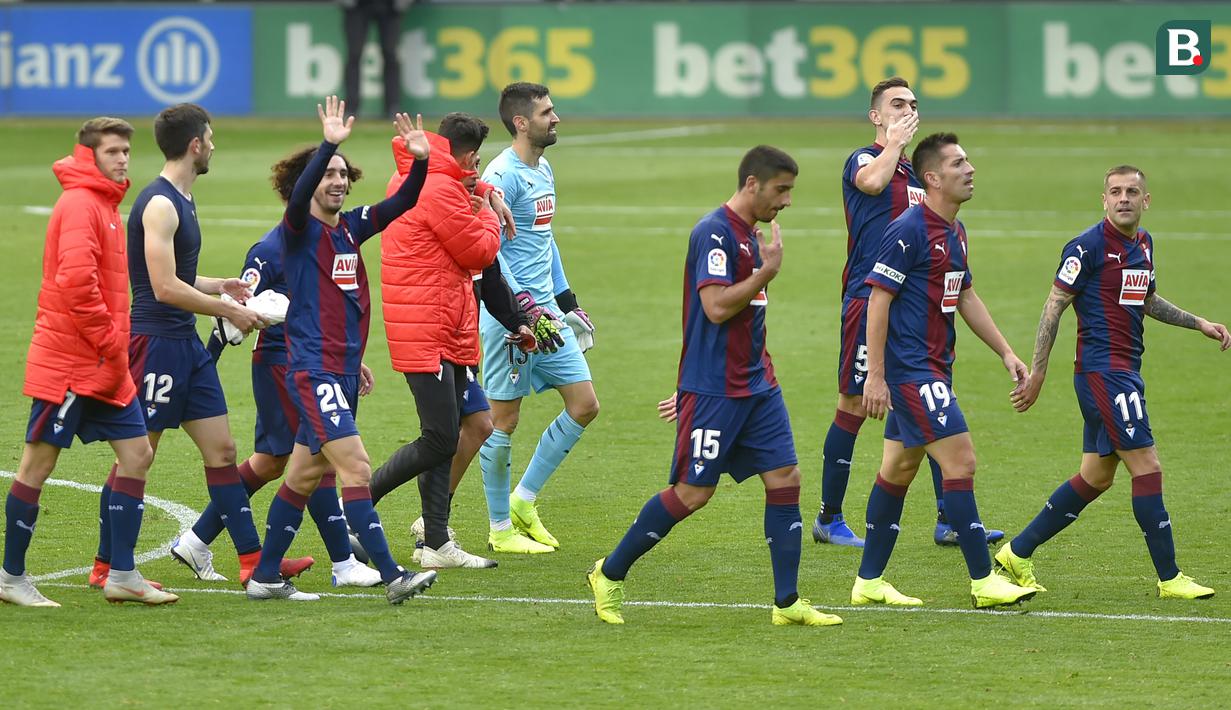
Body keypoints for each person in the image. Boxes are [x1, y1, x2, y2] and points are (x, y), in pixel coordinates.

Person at [586, 146, 842, 628]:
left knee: (786, 479)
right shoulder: (716, 233)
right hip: (716, 390)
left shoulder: (750, 234)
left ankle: (787, 603)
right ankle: (610, 573)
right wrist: (767, 273)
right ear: (752, 184)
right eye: (781, 189)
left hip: (758, 385)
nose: (787, 200)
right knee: (692, 493)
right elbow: (716, 308)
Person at [90, 103, 310, 591]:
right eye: (209, 139)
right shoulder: (162, 203)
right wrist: (228, 311)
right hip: (155, 344)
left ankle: (253, 562)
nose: (213, 146)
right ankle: (110, 566)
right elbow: (164, 286)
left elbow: (179, 277)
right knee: (137, 456)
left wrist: (219, 286)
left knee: (223, 450)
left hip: (184, 344)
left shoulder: (182, 199)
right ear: (195, 145)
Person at [996, 165, 1229, 600]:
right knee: (1148, 467)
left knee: (1096, 476)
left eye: (1132, 192)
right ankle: (1170, 577)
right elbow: (1054, 305)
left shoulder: (1143, 244)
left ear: (1146, 201)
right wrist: (1039, 371)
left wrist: (1198, 322)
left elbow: (1147, 299)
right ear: (1104, 199)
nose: (1124, 198)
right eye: (1116, 192)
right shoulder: (1087, 247)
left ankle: (1017, 552)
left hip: (1123, 373)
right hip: (1104, 374)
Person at [245, 96, 436, 603]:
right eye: (326, 173)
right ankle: (393, 575)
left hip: (344, 371)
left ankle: (265, 575)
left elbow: (402, 205)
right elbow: (298, 196)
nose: (336, 181)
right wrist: (329, 141)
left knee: (307, 472)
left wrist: (420, 161)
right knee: (355, 466)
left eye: (342, 174)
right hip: (314, 372)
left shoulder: (351, 227)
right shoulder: (298, 230)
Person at [812, 77, 1003, 549]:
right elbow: (872, 181)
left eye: (913, 105)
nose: (907, 110)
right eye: (896, 104)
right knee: (855, 405)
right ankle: (829, 517)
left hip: (916, 310)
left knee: (932, 398)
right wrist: (894, 143)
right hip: (868, 300)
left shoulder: (919, 179)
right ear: (875, 116)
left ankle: (949, 519)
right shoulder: (864, 159)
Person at [851, 132, 1037, 609]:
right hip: (913, 372)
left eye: (968, 160)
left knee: (899, 467)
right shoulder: (908, 229)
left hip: (935, 368)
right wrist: (876, 375)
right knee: (961, 462)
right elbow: (878, 299)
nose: (970, 168)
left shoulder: (955, 231)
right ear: (932, 178)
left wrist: (1006, 352)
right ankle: (982, 580)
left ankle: (868, 581)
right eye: (958, 163)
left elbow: (966, 296)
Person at [1, 118, 177, 607]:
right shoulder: (81, 205)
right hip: (72, 363)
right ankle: (11, 577)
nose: (123, 159)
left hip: (102, 363)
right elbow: (77, 284)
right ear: (89, 154)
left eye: (126, 151)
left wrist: (110, 351)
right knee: (37, 463)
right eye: (113, 151)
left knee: (138, 453)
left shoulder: (106, 204)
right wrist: (109, 342)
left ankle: (122, 573)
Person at [367, 112, 534, 570]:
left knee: (476, 423)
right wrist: (491, 214)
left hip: (447, 327)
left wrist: (486, 192)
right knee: (441, 438)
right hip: (427, 330)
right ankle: (358, 507)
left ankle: (436, 542)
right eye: (476, 161)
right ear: (460, 154)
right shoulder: (439, 190)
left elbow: (475, 254)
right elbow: (480, 252)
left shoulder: (433, 179)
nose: (478, 169)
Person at [173, 228, 383, 589]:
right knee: (320, 453)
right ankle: (344, 563)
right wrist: (208, 361)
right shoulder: (270, 249)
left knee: (271, 463)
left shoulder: (318, 242)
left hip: (314, 362)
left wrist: (343, 358)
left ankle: (196, 540)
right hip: (282, 366)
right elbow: (234, 309)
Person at [477, 82, 598, 554]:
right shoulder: (500, 176)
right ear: (521, 122)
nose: (557, 118)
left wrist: (566, 301)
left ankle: (524, 500)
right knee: (502, 421)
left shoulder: (543, 169)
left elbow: (544, 242)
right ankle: (499, 528)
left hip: (547, 315)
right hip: (512, 318)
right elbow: (492, 252)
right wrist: (521, 306)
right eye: (548, 112)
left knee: (585, 404)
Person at [340, 0, 409, 118]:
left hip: (389, 6)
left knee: (390, 55)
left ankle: (393, 106)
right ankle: (351, 107)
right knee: (354, 54)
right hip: (358, 7)